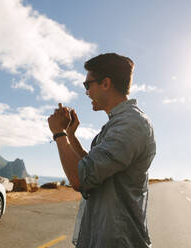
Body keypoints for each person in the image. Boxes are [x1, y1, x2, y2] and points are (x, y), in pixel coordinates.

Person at [48, 53, 156, 247]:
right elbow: (92, 168)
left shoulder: (131, 124)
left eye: (87, 85)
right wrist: (70, 135)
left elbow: (81, 178)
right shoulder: (118, 123)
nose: (87, 92)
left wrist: (58, 134)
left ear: (105, 83)